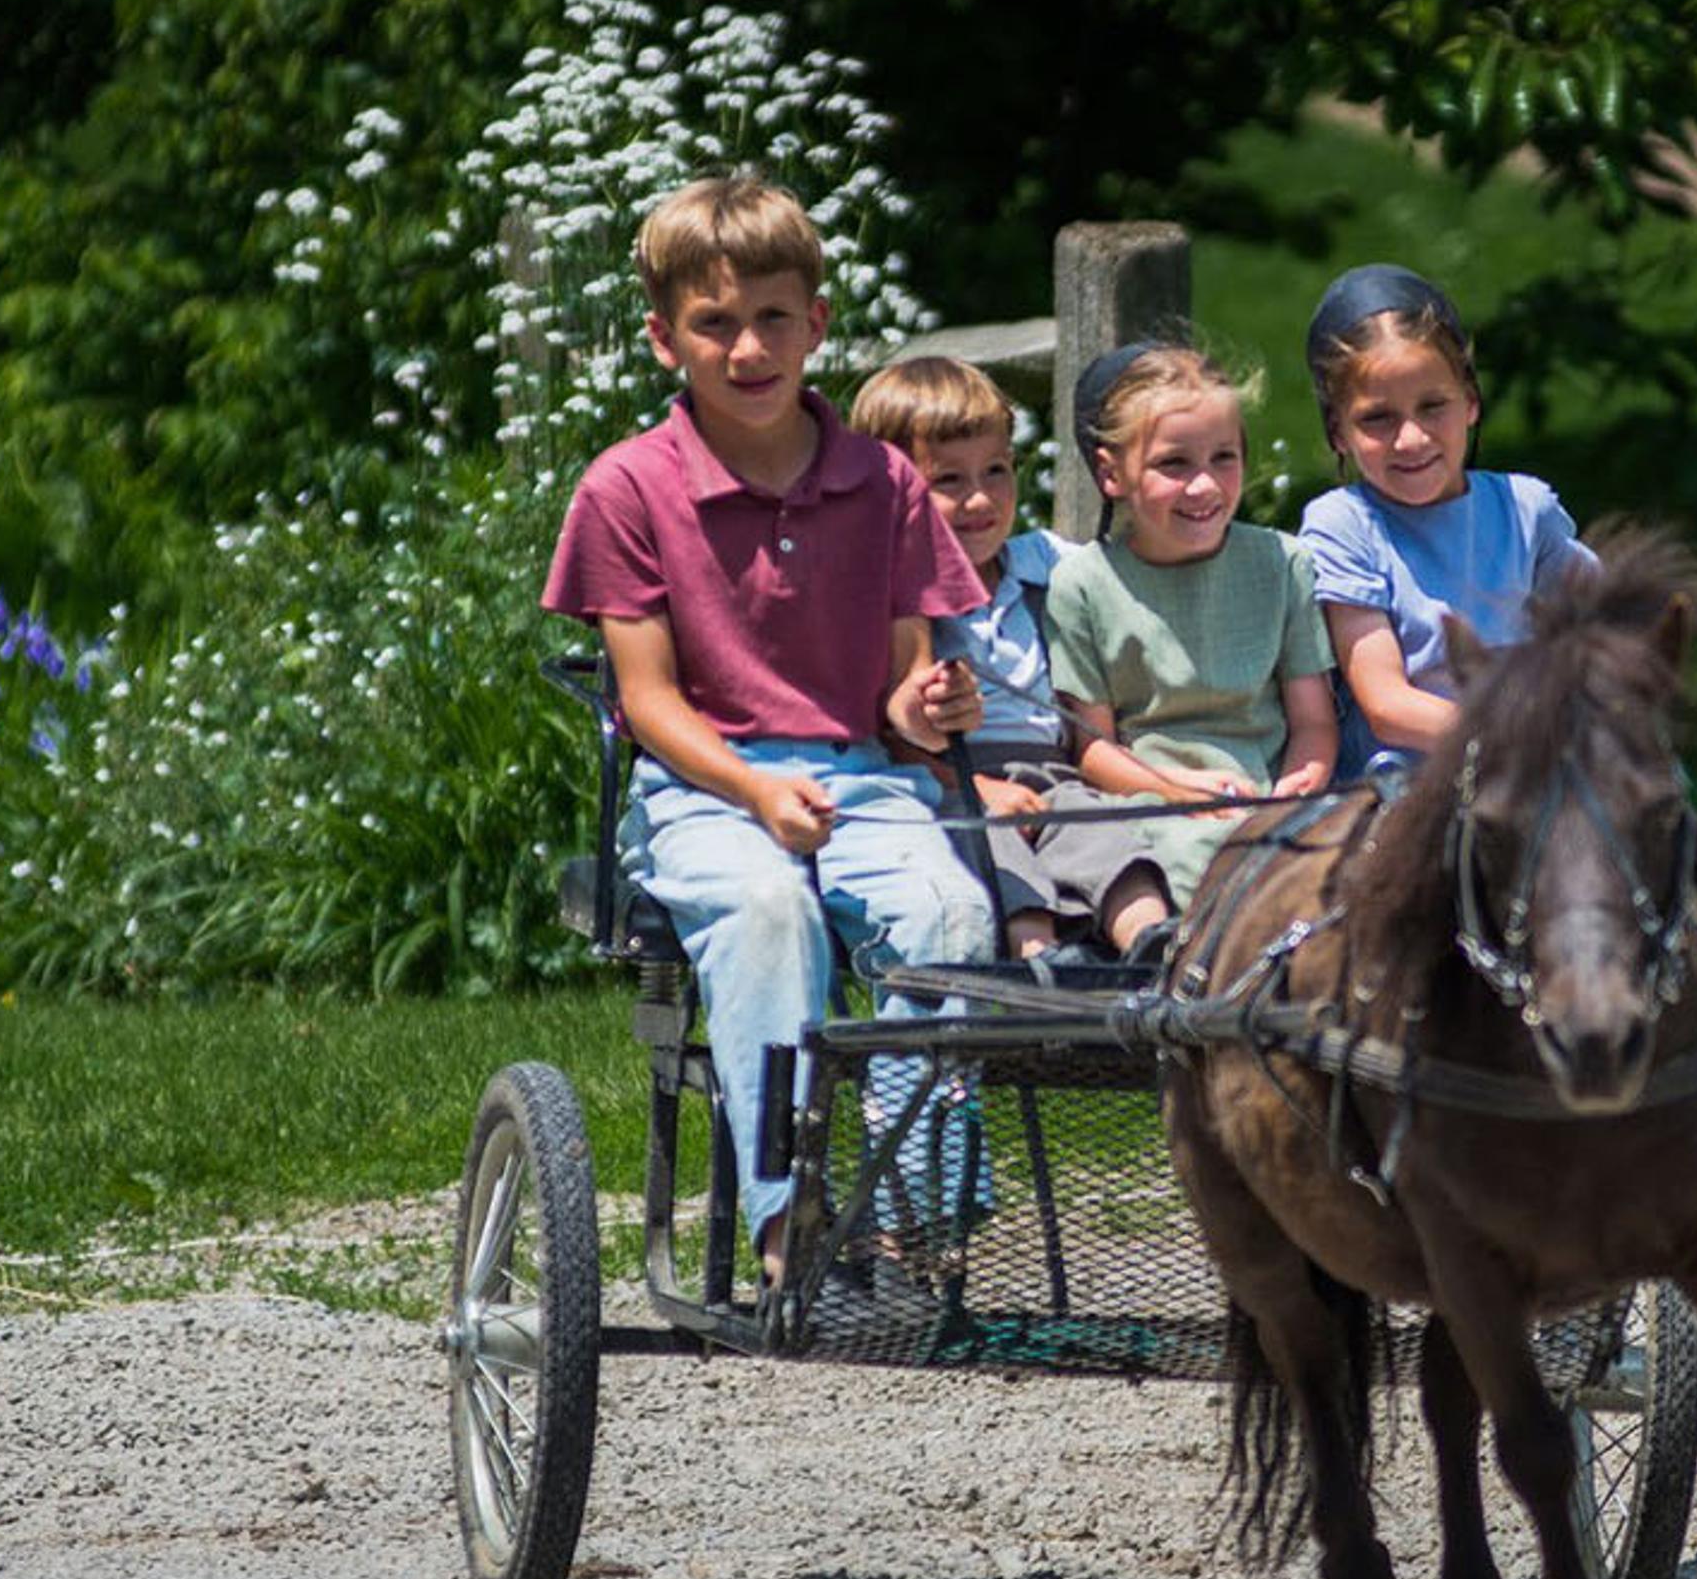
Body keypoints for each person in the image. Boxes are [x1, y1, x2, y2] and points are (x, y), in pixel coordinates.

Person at [539, 174, 991, 1288]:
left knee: (950, 910)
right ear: (663, 339)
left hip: (864, 784)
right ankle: (793, 1228)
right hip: (704, 793)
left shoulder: (883, 480)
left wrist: (932, 707)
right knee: (769, 910)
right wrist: (752, 791)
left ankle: (909, 1227)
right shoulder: (628, 489)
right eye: (715, 324)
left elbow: (903, 691)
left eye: (773, 319)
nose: (749, 348)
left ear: (818, 324)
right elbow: (645, 702)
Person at [846, 355, 1145, 961]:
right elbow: (888, 734)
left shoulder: (1045, 566)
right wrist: (976, 786)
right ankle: (1039, 963)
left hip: (1056, 771)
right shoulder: (888, 596)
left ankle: (1149, 944)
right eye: (948, 481)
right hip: (946, 779)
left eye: (997, 471)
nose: (980, 499)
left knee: (1102, 832)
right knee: (992, 842)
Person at [1042, 342, 1337, 954]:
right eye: (1174, 464)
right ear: (1111, 474)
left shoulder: (1281, 564)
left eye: (1223, 458)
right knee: (1194, 857)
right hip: (1152, 797)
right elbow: (1092, 747)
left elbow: (1313, 721)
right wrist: (1180, 794)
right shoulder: (1084, 585)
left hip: (1264, 792)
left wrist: (1295, 791)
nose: (1204, 485)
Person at [1291, 262, 1599, 773]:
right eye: (1376, 418)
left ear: (1472, 403)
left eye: (1432, 406)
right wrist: (1519, 737)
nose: (1411, 439)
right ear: (1337, 433)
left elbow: (1606, 626)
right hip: (1407, 784)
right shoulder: (1342, 526)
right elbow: (1387, 704)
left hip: (1529, 771)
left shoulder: (1526, 509)